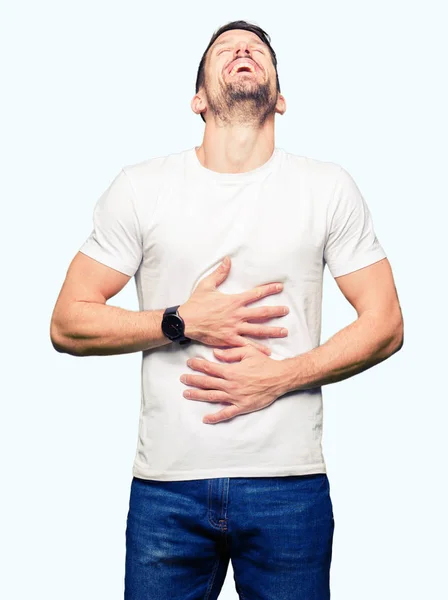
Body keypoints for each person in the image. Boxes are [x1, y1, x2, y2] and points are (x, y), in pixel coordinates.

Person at [50, 19, 404, 600]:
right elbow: (68, 320)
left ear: (281, 98)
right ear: (197, 99)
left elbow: (386, 323)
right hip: (167, 489)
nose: (243, 49)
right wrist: (180, 321)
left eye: (256, 49)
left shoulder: (327, 187)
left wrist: (281, 377)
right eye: (225, 48)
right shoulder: (141, 187)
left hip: (288, 485)